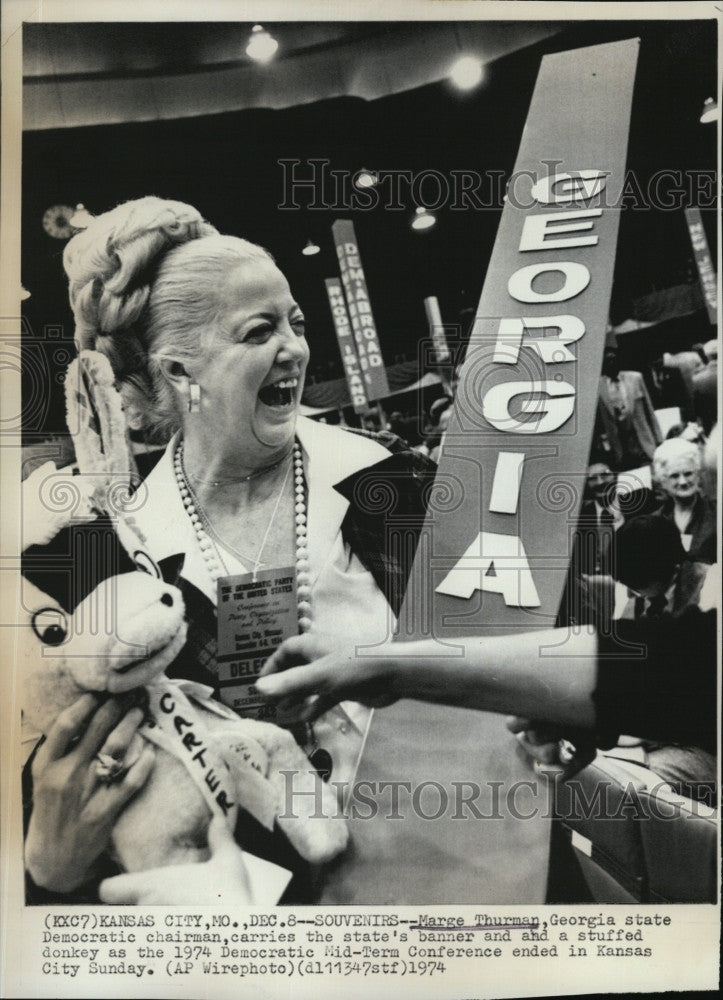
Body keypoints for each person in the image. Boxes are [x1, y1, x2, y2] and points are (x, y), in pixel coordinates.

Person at [23, 195, 435, 899]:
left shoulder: (398, 491)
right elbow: (72, 805)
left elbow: (513, 671)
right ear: (179, 374)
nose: (295, 348)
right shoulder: (98, 561)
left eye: (296, 323)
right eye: (259, 331)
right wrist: (50, 862)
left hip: (464, 868)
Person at [596, 344, 662, 470]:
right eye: (607, 361)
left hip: (642, 440)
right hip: (620, 446)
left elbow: (649, 410)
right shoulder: (598, 387)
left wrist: (658, 438)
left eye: (613, 359)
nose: (611, 363)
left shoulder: (635, 378)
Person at [652, 436, 716, 563]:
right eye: (674, 476)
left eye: (688, 473)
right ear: (663, 481)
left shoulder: (717, 513)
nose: (683, 481)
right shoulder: (655, 522)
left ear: (697, 475)